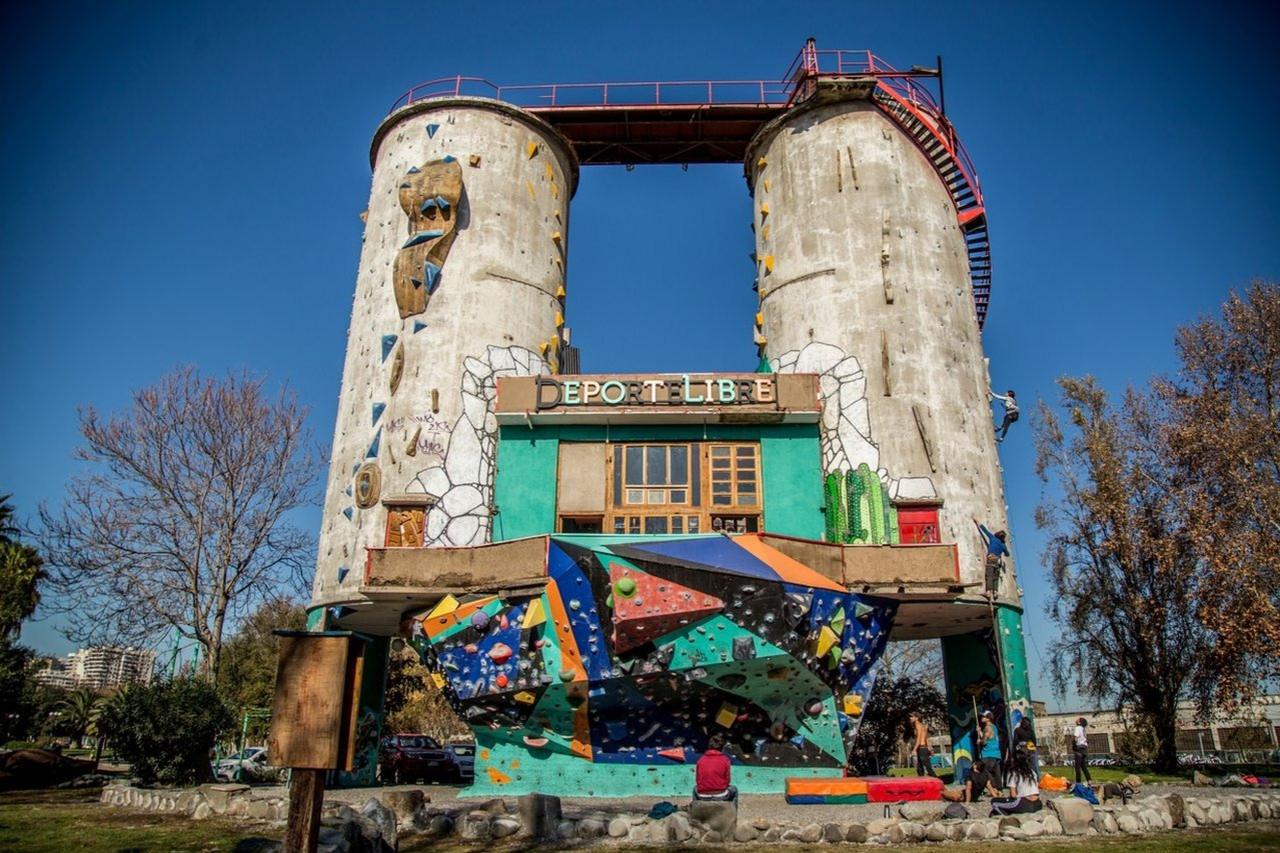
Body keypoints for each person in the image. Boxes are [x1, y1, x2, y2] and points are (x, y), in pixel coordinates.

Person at [989, 749, 1042, 816]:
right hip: (1037, 803)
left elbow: (1013, 795)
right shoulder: (1032, 772)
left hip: (1024, 803)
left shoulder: (1013, 772)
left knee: (994, 802)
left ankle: (1008, 819)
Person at [694, 733, 737, 804]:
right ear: (722, 747)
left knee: (694, 789)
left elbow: (698, 780)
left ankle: (695, 810)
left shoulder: (701, 760)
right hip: (720, 794)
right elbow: (727, 780)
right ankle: (733, 813)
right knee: (734, 789)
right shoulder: (725, 760)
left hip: (703, 795)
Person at [972, 518, 1010, 596]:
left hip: (991, 558)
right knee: (996, 577)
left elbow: (984, 530)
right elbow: (1007, 554)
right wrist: (1003, 550)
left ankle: (988, 591)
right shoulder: (1003, 545)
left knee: (989, 575)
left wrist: (977, 521)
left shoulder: (993, 538)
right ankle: (995, 592)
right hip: (998, 561)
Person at [977, 710, 1003, 789]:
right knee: (996, 773)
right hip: (996, 753)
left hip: (988, 753)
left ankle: (993, 788)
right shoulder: (994, 727)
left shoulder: (987, 727)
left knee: (986, 772)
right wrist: (980, 732)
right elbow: (989, 738)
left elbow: (984, 742)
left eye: (984, 716)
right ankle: (999, 789)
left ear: (988, 718)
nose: (982, 718)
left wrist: (979, 741)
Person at [909, 711, 936, 777]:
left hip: (922, 748)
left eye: (912, 717)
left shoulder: (918, 726)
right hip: (922, 748)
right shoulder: (922, 726)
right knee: (919, 768)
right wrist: (930, 748)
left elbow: (918, 739)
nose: (910, 718)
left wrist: (914, 750)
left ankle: (938, 782)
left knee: (928, 767)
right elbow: (926, 738)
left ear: (916, 718)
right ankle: (921, 783)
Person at [1072, 717, 1092, 784]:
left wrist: (1074, 744)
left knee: (1077, 767)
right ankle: (1089, 780)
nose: (1076, 719)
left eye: (1078, 719)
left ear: (1079, 722)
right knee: (1083, 766)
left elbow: (1076, 737)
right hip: (1084, 748)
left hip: (1079, 748)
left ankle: (1078, 783)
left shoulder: (1078, 728)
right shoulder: (1083, 729)